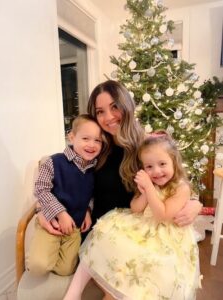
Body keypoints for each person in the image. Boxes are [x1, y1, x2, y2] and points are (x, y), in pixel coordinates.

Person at [36, 80, 202, 297]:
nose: (109, 117)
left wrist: (195, 203)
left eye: (115, 107)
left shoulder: (146, 147)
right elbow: (60, 180)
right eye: (100, 111)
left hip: (137, 235)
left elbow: (173, 178)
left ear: (127, 105)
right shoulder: (93, 146)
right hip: (97, 232)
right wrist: (43, 210)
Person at [64, 130, 201, 300]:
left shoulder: (181, 188)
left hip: (165, 234)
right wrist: (144, 190)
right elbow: (135, 208)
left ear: (174, 162)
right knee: (104, 232)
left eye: (162, 164)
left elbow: (162, 215)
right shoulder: (150, 183)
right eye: (149, 167)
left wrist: (150, 189)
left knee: (148, 261)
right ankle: (73, 294)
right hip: (142, 224)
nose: (156, 171)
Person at [28, 114, 104, 276]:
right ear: (72, 137)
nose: (92, 145)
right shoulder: (53, 161)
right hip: (52, 223)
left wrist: (88, 210)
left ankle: (53, 254)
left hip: (74, 229)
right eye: (85, 138)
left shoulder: (95, 169)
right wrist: (60, 213)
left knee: (66, 270)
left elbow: (90, 194)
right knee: (38, 267)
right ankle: (44, 251)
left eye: (97, 140)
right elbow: (41, 189)